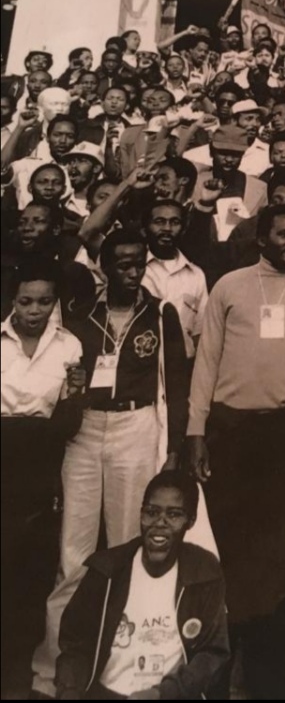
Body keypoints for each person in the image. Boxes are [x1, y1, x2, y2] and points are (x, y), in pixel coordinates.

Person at [185, 204, 285, 699]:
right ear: (262, 238)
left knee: (280, 557)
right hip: (230, 432)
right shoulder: (230, 285)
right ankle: (219, 669)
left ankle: (273, 682)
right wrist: (195, 430)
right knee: (231, 550)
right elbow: (206, 360)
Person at [31, 229, 190, 699]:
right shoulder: (80, 314)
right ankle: (53, 671)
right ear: (104, 267)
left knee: (127, 546)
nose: (132, 270)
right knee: (73, 556)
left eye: (138, 262)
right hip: (84, 431)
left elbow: (177, 385)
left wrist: (174, 447)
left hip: (136, 427)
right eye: (121, 262)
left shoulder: (161, 314)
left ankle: (119, 669)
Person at [55, 471, 230, 700]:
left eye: (174, 515)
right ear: (141, 514)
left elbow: (213, 653)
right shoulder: (107, 571)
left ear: (191, 520)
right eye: (151, 512)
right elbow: (75, 643)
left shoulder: (204, 573)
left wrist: (162, 694)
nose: (160, 523)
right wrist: (70, 689)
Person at [1, 261, 85, 687]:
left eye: (45, 302)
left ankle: (19, 668)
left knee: (30, 566)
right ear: (12, 300)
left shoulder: (69, 347)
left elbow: (68, 418)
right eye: (26, 301)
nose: (35, 311)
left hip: (43, 464)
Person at [142, 200, 208, 359]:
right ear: (144, 228)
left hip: (181, 367)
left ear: (184, 229)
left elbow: (201, 333)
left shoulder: (196, 275)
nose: (167, 228)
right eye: (159, 222)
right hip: (141, 364)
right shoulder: (134, 268)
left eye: (175, 222)